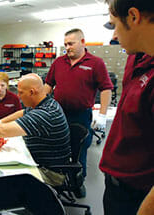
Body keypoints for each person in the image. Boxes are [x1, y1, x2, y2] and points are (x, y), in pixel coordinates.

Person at [99, 0, 154, 214]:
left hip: (139, 195)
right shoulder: (136, 56)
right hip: (115, 184)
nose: (113, 37)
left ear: (133, 16)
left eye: (114, 26)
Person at [44, 28, 113, 183]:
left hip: (81, 116)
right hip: (58, 113)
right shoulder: (58, 62)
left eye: (71, 43)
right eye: (65, 44)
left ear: (82, 42)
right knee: (58, 147)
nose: (67, 47)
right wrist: (38, 105)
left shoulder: (95, 63)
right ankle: (58, 180)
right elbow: (48, 85)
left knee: (79, 150)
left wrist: (102, 115)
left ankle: (77, 182)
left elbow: (106, 89)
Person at [0, 73, 71, 187]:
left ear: (32, 92)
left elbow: (1, 131)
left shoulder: (44, 114)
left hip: (50, 173)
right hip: (44, 161)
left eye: (21, 92)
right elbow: (22, 113)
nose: (18, 96)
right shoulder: (47, 103)